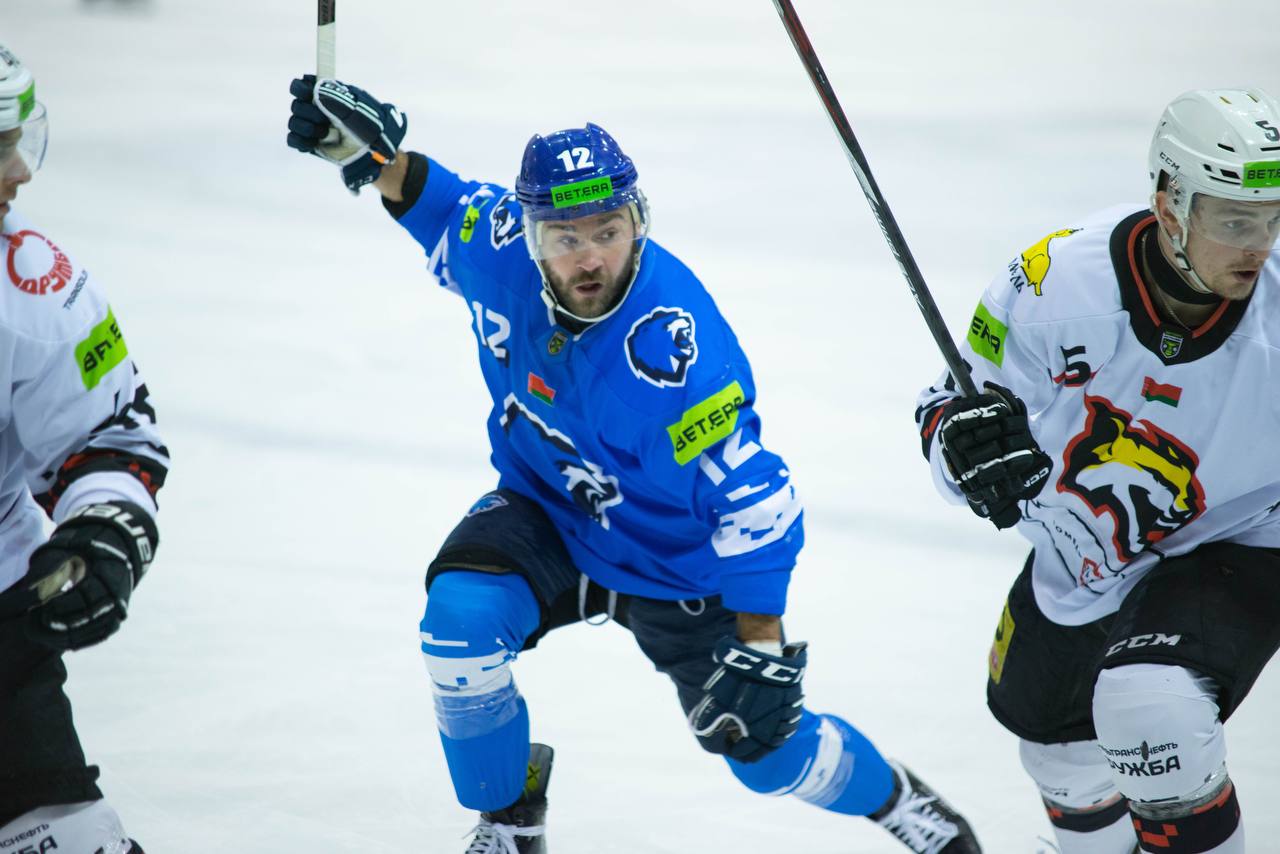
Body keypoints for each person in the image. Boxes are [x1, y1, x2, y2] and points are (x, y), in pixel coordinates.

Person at [286, 74, 983, 853]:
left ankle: (897, 800)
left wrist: (761, 647)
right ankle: (510, 820)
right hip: (552, 510)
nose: (591, 258)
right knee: (459, 626)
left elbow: (759, 501)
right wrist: (372, 156)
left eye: (608, 230)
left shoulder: (672, 361)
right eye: (565, 237)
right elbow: (445, 206)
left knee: (768, 757)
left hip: (676, 566)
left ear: (638, 221)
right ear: (529, 236)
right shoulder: (503, 249)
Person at [914, 87, 1280, 854]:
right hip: (1088, 551)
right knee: (1059, 753)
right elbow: (949, 406)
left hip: (1246, 537)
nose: (1259, 246)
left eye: (1273, 219)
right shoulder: (1053, 283)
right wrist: (964, 446)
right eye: (1235, 221)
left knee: (1151, 710)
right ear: (1170, 202)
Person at [0, 44, 169, 854]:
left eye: (16, 139)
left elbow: (106, 433)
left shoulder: (32, 282)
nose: (19, 173)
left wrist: (103, 530)